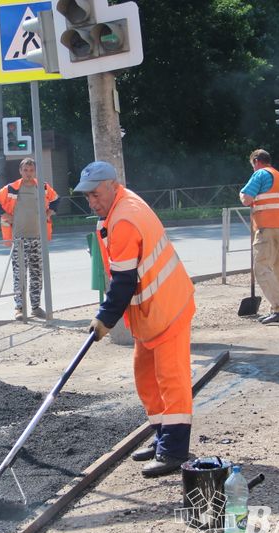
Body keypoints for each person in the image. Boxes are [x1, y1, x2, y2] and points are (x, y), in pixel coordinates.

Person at [78, 161, 196, 478]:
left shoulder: (125, 220)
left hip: (167, 309)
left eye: (95, 194)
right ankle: (161, 437)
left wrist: (104, 319)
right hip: (150, 315)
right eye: (87, 196)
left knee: (172, 379)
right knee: (145, 375)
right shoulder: (119, 207)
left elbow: (124, 281)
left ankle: (174, 450)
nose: (92, 202)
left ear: (113, 187)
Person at [0, 158, 60, 319]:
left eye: (31, 170)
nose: (28, 173)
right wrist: (5, 215)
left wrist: (48, 213)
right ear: (21, 171)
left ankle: (35, 307)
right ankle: (19, 308)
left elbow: (56, 200)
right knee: (20, 274)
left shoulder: (43, 187)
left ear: (35, 171)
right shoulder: (12, 188)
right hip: (19, 239)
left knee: (36, 274)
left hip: (38, 238)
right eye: (25, 170)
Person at [238, 149, 279, 324]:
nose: (253, 169)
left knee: (262, 268)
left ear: (257, 161)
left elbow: (246, 199)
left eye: (253, 165)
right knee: (277, 268)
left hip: (267, 227)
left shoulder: (260, 174)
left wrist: (242, 194)